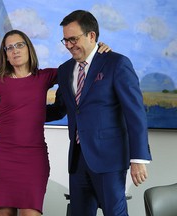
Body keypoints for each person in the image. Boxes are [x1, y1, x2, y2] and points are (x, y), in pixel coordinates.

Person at [0, 29, 110, 216]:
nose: (15, 50)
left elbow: (78, 65)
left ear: (28, 48)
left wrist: (96, 51)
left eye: (19, 45)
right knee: (5, 213)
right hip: (2, 156)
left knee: (31, 212)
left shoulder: (44, 77)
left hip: (34, 158)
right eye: (9, 48)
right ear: (6, 55)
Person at [46, 10, 152, 216]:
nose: (68, 45)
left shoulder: (117, 63)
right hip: (77, 161)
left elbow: (135, 113)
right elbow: (60, 109)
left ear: (91, 36)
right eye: (65, 40)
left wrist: (138, 158)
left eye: (73, 39)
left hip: (109, 160)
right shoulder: (65, 69)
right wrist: (22, 113)